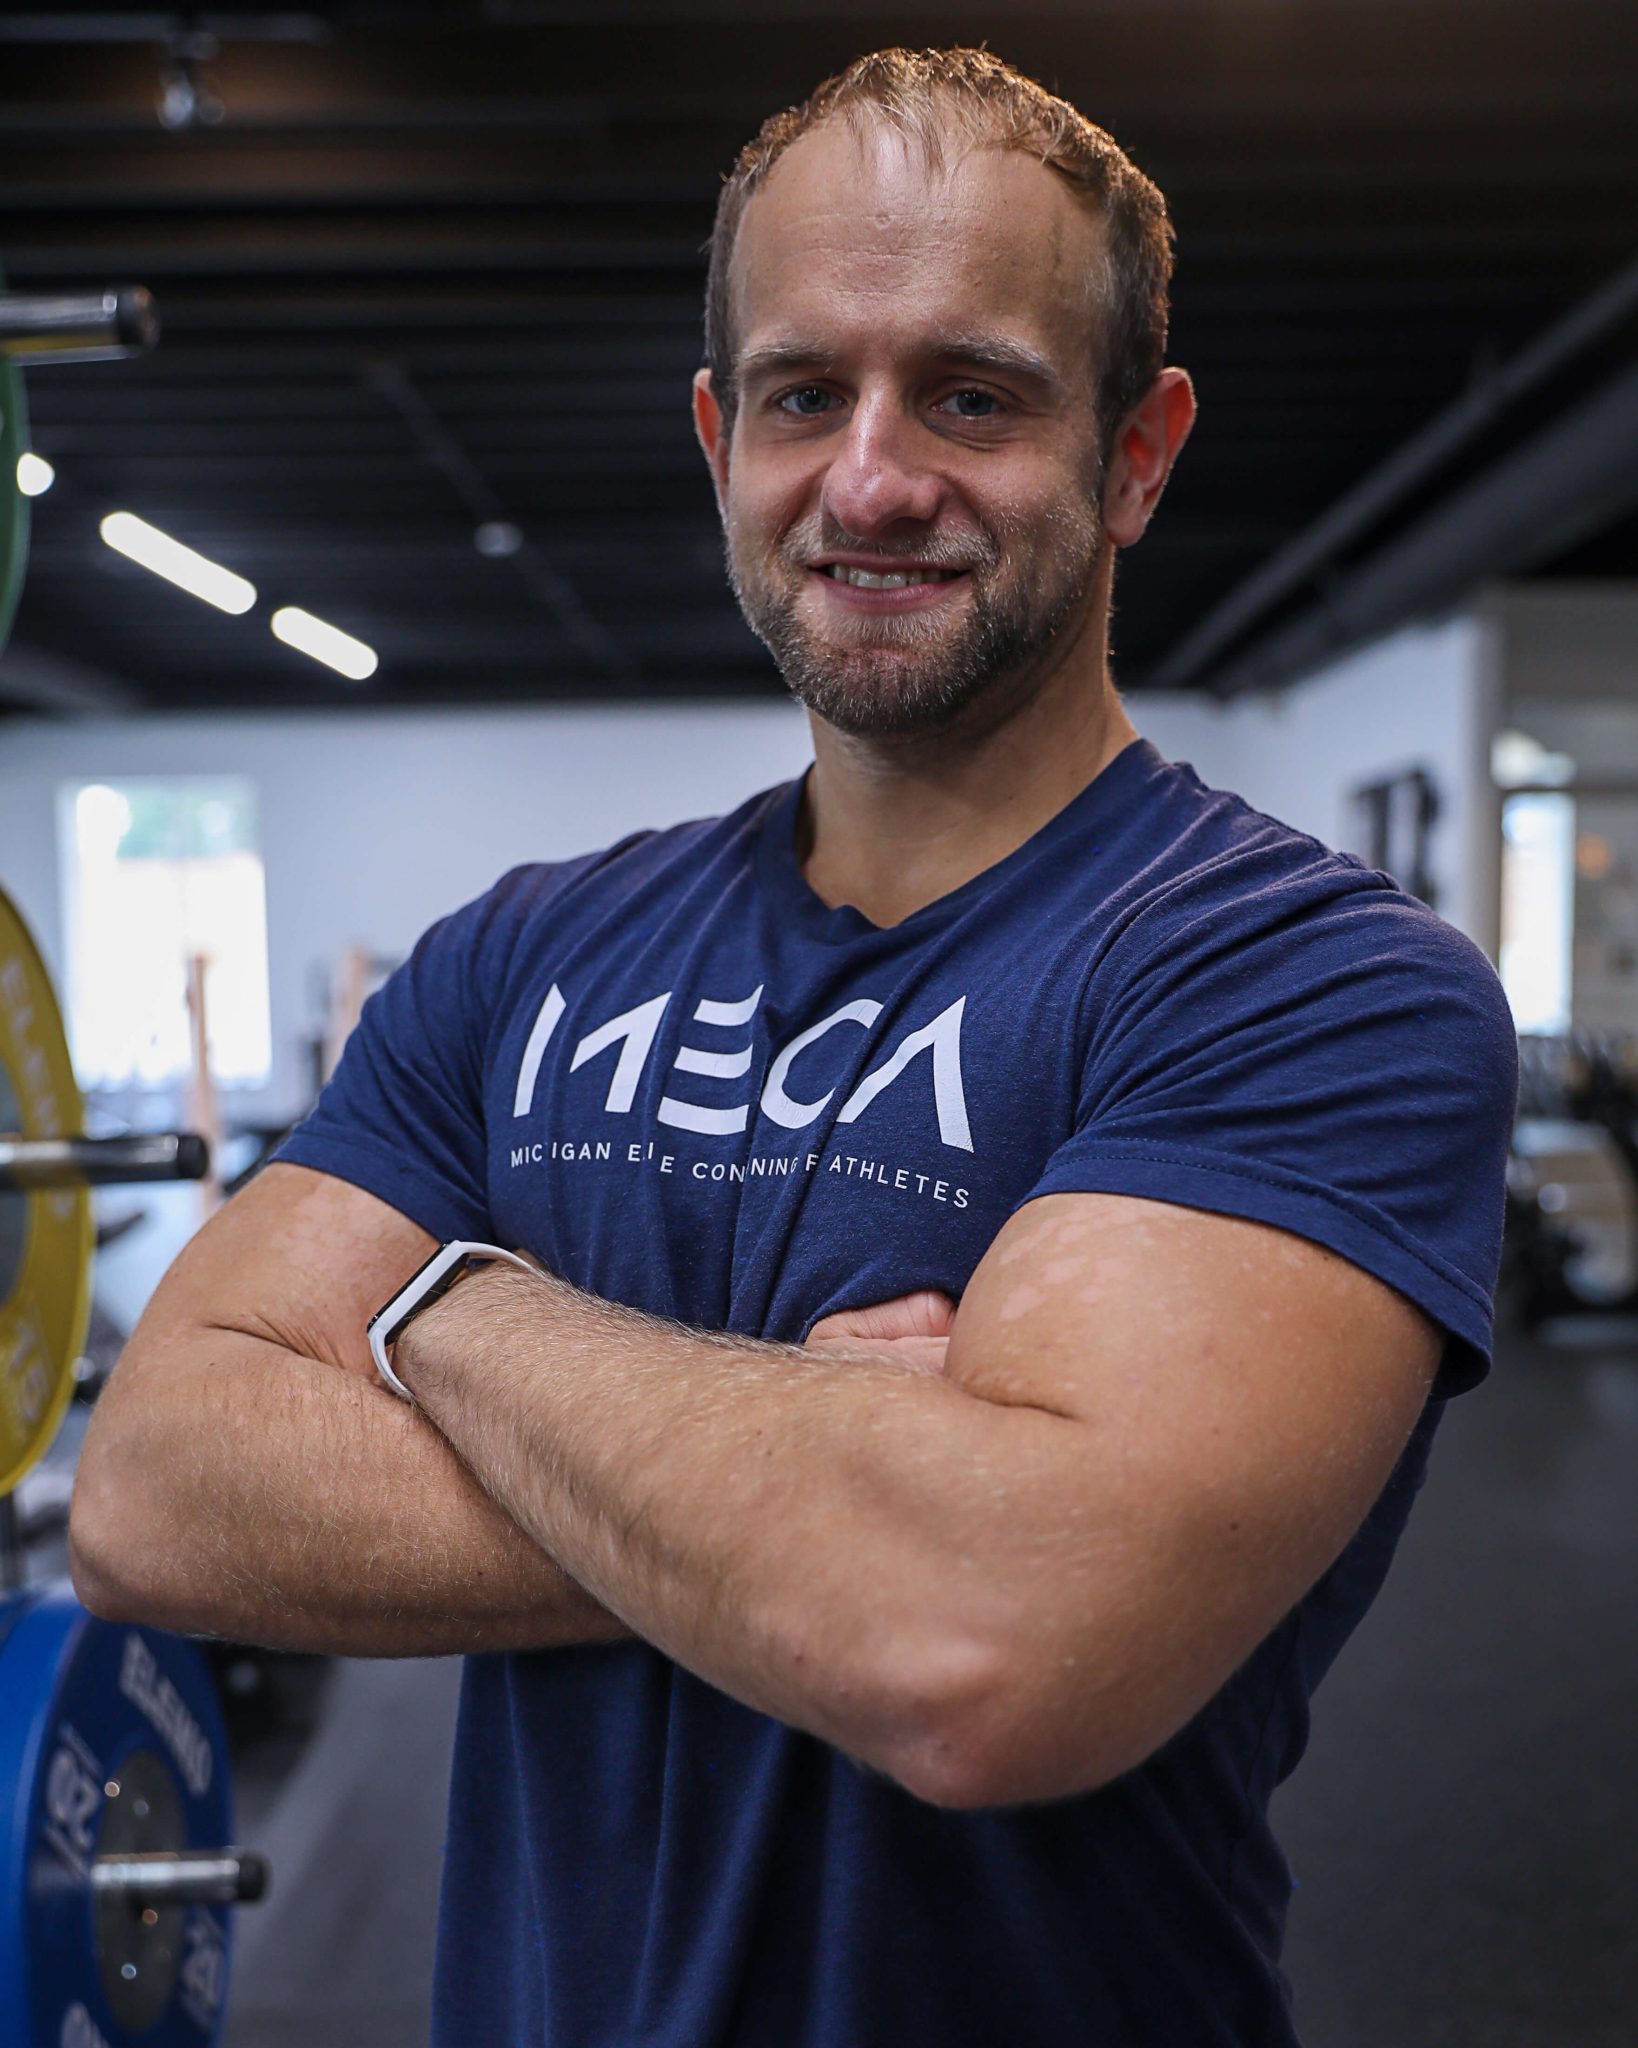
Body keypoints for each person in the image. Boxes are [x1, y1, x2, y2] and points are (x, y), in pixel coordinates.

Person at [71, 47, 1518, 2048]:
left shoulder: (1302, 978)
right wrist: (813, 1474)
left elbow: (981, 1635)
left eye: (973, 395)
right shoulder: (523, 954)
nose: (871, 479)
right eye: (804, 393)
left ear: (1138, 451)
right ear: (718, 436)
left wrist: (449, 1306)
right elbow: (155, 1487)